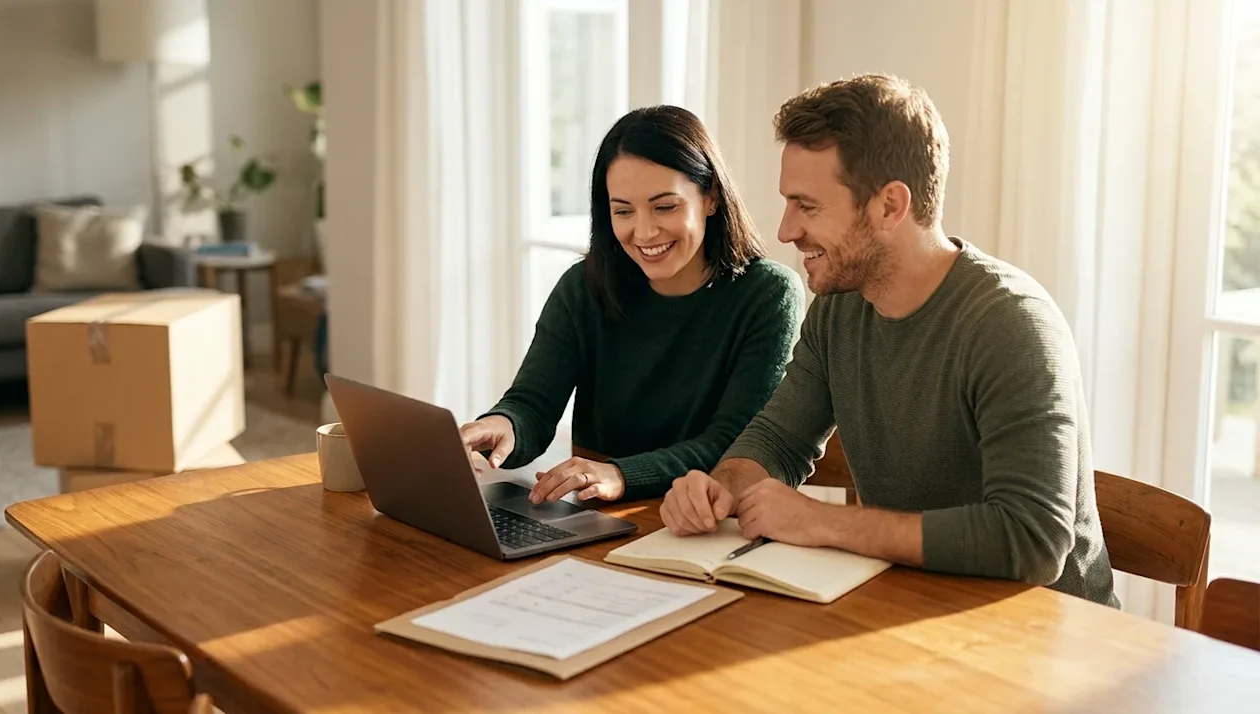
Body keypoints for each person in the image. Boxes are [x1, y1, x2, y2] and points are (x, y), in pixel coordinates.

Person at [659, 74, 1119, 607]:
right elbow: (779, 439)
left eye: (807, 206)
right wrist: (722, 487)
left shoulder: (1011, 325)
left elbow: (1032, 540)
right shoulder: (839, 307)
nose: (785, 230)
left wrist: (829, 522)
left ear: (889, 206)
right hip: (913, 611)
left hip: (1043, 643)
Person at [460, 105, 805, 506]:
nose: (643, 232)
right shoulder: (583, 286)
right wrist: (504, 425)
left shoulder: (768, 294)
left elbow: (735, 445)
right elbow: (533, 404)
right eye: (623, 210)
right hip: (599, 514)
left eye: (665, 206)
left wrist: (622, 474)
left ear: (710, 197)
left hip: (705, 519)